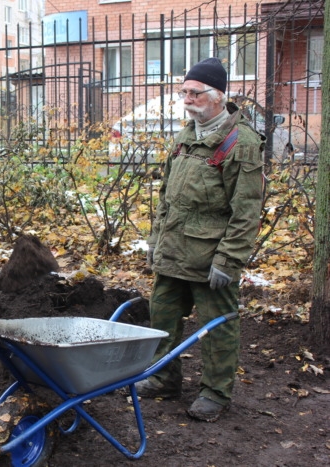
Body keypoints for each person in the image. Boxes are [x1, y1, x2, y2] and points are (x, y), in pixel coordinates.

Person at [138, 57, 264, 422]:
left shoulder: (240, 143)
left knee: (218, 326)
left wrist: (229, 260)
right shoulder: (186, 135)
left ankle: (215, 393)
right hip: (173, 250)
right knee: (161, 315)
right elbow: (166, 196)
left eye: (195, 93)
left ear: (219, 95)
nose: (187, 99)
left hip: (210, 258)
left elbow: (246, 212)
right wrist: (155, 241)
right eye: (184, 92)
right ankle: (163, 377)